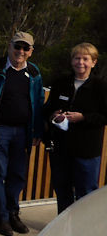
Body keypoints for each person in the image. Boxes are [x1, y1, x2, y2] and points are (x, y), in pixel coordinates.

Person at [0, 31, 44, 236]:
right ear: (9, 46)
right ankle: (1, 217)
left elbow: (38, 102)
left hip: (23, 131)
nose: (21, 51)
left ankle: (13, 213)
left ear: (31, 52)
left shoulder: (34, 73)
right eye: (17, 46)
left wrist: (37, 130)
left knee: (17, 175)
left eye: (26, 48)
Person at [43, 42, 107, 213]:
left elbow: (104, 116)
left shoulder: (100, 87)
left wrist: (83, 118)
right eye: (77, 58)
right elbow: (47, 109)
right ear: (71, 61)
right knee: (62, 191)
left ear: (93, 62)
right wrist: (53, 116)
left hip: (87, 152)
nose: (81, 62)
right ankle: (64, 229)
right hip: (61, 149)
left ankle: (84, 234)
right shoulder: (60, 83)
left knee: (86, 193)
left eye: (86, 59)